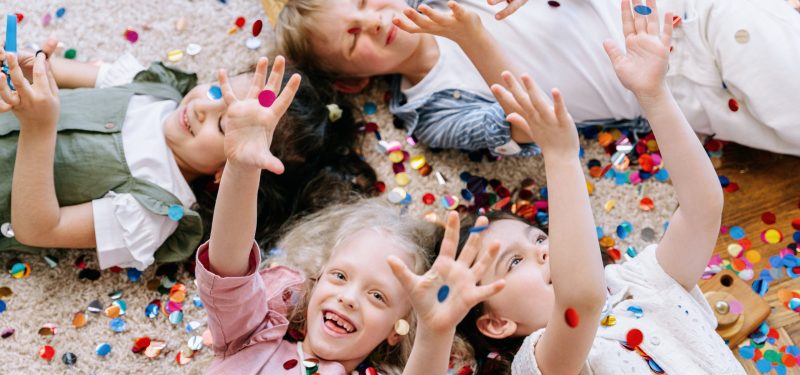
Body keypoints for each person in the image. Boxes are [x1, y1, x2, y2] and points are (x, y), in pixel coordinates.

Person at [454, 1, 776, 375]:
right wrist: (559, 155)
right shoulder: (536, 367)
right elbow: (580, 302)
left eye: (538, 238)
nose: (544, 250)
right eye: (514, 261)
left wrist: (654, 96)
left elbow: (702, 209)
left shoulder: (638, 283)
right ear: (496, 323)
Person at [173, 57, 506, 375]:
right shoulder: (254, 333)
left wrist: (437, 331)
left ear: (397, 329)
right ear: (314, 284)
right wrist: (241, 167)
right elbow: (228, 263)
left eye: (377, 296)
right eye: (340, 277)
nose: (348, 298)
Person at [0, 38, 374, 270]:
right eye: (217, 94)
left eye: (224, 125)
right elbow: (52, 70)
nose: (201, 110)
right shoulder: (156, 89)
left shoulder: (153, 208)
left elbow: (38, 229)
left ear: (228, 174)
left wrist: (38, 127)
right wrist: (28, 68)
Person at [275, 0, 800, 156]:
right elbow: (533, 129)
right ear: (350, 83)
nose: (376, 22)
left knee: (750, 35)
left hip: (681, 20)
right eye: (353, 37)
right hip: (678, 98)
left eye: (367, 2)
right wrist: (471, 37)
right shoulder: (433, 111)